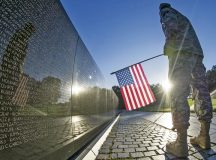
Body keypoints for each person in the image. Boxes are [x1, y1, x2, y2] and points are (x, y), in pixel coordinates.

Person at [159, 3, 213, 157]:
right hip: (196, 55)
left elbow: (170, 26)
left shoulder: (166, 11)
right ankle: (204, 136)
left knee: (178, 92)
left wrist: (168, 46)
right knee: (201, 92)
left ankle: (181, 144)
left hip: (180, 54)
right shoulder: (184, 17)